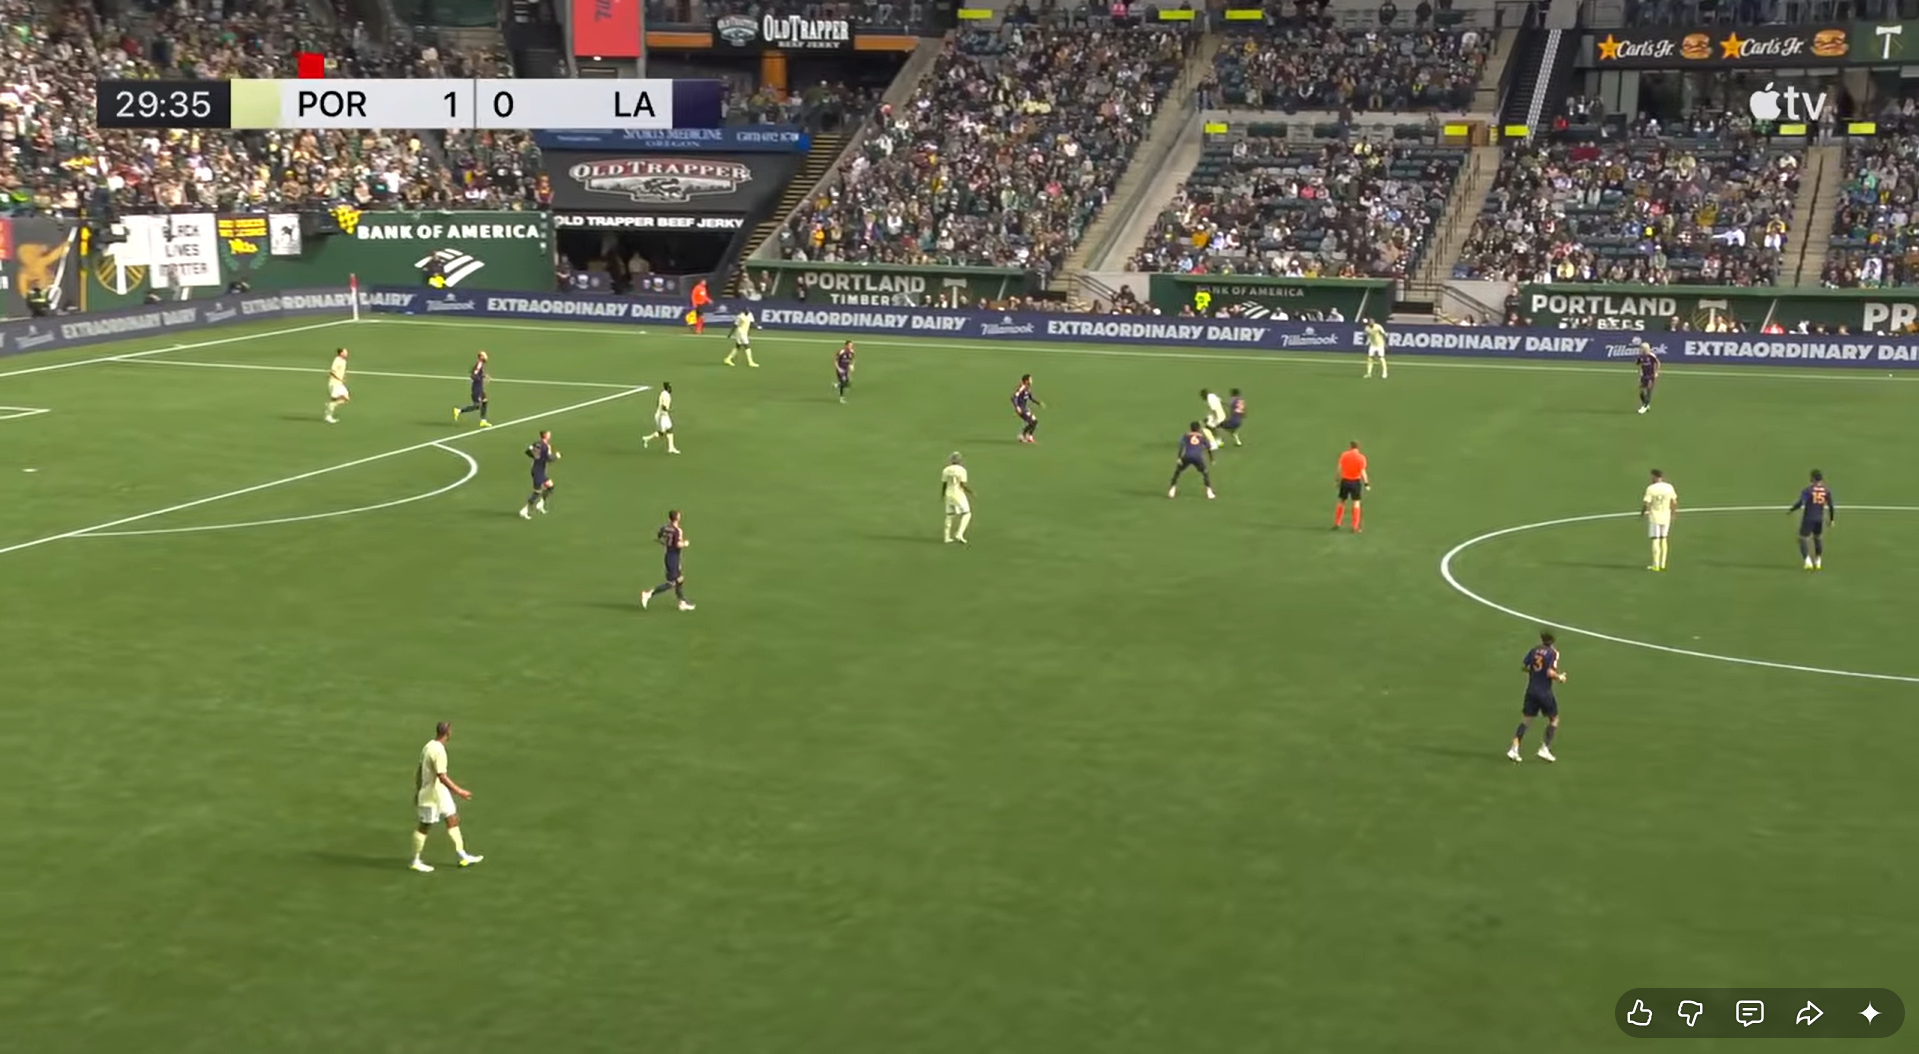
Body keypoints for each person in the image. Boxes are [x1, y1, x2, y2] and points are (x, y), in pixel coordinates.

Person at [410, 721, 482, 873]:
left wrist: (417, 789)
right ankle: (416, 860)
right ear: (448, 733)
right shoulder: (439, 752)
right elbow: (442, 776)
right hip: (430, 795)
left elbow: (419, 770)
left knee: (452, 818)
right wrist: (459, 791)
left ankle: (462, 855)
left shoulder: (428, 746)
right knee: (424, 826)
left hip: (439, 792)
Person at [1507, 631, 1567, 764]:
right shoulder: (1553, 653)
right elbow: (1549, 672)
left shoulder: (1534, 650)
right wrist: (1559, 677)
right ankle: (1545, 748)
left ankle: (1514, 749)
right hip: (1544, 692)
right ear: (1552, 641)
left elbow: (1524, 667)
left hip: (1531, 691)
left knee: (1526, 721)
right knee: (1554, 719)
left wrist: (1535, 672)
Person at [641, 509, 696, 611]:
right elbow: (678, 544)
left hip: (669, 555)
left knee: (680, 579)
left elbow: (658, 538)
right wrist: (685, 543)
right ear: (678, 518)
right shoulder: (677, 531)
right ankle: (649, 594)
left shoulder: (665, 528)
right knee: (672, 583)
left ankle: (682, 602)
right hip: (673, 558)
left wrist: (665, 544)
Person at [1788, 469, 1835, 570]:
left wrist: (1792, 509)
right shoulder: (1826, 491)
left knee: (1802, 538)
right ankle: (1818, 561)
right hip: (1819, 519)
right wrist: (1831, 520)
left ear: (1812, 478)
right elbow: (1831, 506)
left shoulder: (1808, 490)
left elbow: (1801, 503)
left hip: (1809, 518)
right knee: (1817, 538)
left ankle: (1807, 561)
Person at [1168, 421, 1216, 499]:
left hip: (1187, 456)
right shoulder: (1202, 437)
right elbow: (1209, 448)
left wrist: (1179, 457)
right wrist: (1212, 459)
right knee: (1205, 473)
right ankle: (1209, 492)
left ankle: (1172, 490)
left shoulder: (1186, 435)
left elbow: (1181, 446)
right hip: (1197, 457)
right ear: (1199, 428)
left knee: (1178, 471)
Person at [1641, 469, 1678, 571]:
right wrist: (1673, 514)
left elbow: (1646, 503)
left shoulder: (1651, 489)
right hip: (1666, 516)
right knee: (1664, 539)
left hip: (1655, 517)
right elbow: (1674, 501)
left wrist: (1643, 513)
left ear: (1654, 476)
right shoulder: (1669, 487)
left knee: (1655, 540)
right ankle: (1663, 564)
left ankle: (1656, 565)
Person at [520, 429, 559, 518]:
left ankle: (541, 504)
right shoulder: (545, 447)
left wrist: (536, 457)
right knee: (537, 492)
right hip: (538, 472)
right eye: (548, 434)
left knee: (550, 486)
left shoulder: (537, 443)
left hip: (538, 470)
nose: (550, 435)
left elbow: (528, 451)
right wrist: (556, 456)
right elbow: (549, 459)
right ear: (545, 435)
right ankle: (524, 510)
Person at [1333, 441, 1369, 532]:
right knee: (1356, 503)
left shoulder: (1344, 455)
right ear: (1358, 447)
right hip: (1355, 482)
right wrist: (1366, 483)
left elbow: (1339, 469)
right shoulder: (1361, 458)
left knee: (1341, 501)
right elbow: (1363, 472)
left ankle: (1337, 523)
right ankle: (1354, 526)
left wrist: (1337, 480)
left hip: (1345, 481)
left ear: (1350, 446)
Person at [942, 451, 974, 544]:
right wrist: (970, 491)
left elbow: (944, 484)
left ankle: (946, 537)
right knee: (967, 513)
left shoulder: (946, 470)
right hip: (958, 494)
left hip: (948, 493)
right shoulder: (962, 470)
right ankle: (959, 534)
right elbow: (962, 485)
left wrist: (942, 494)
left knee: (949, 515)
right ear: (960, 460)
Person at [454, 350, 491, 426]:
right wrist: (480, 378)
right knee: (477, 405)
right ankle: (459, 411)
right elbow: (474, 375)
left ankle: (483, 421)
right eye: (484, 355)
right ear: (481, 357)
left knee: (485, 401)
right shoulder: (479, 364)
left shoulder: (480, 364)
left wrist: (484, 376)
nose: (486, 357)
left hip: (479, 387)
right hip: (476, 388)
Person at [643, 382, 680, 454]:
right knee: (662, 433)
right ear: (667, 388)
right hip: (662, 416)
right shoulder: (666, 395)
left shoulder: (663, 393)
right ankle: (647, 439)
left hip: (663, 415)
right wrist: (669, 410)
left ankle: (671, 448)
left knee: (669, 430)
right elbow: (663, 406)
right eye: (670, 387)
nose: (671, 388)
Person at [1012, 374, 1044, 443]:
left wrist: (1038, 403)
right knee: (1033, 422)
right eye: (1030, 379)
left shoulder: (1027, 388)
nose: (1031, 380)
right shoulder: (1022, 387)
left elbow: (1031, 398)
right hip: (1021, 409)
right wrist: (1017, 407)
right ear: (1026, 380)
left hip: (1025, 409)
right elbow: (1014, 397)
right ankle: (1025, 435)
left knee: (1034, 422)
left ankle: (1027, 435)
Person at [324, 347, 350, 424]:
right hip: (335, 383)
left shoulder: (344, 361)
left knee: (346, 398)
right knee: (336, 399)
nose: (347, 353)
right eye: (345, 352)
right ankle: (328, 416)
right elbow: (332, 372)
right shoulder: (337, 360)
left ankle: (330, 406)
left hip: (339, 383)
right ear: (341, 353)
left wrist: (343, 377)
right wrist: (339, 378)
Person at [1635, 339, 1660, 415]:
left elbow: (1658, 363)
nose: (1640, 349)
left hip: (1651, 376)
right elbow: (1638, 364)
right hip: (1644, 376)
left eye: (1642, 348)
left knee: (1648, 391)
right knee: (1641, 392)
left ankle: (1644, 407)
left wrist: (1656, 372)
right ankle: (1646, 404)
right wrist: (1640, 374)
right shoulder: (1640, 357)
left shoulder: (1651, 356)